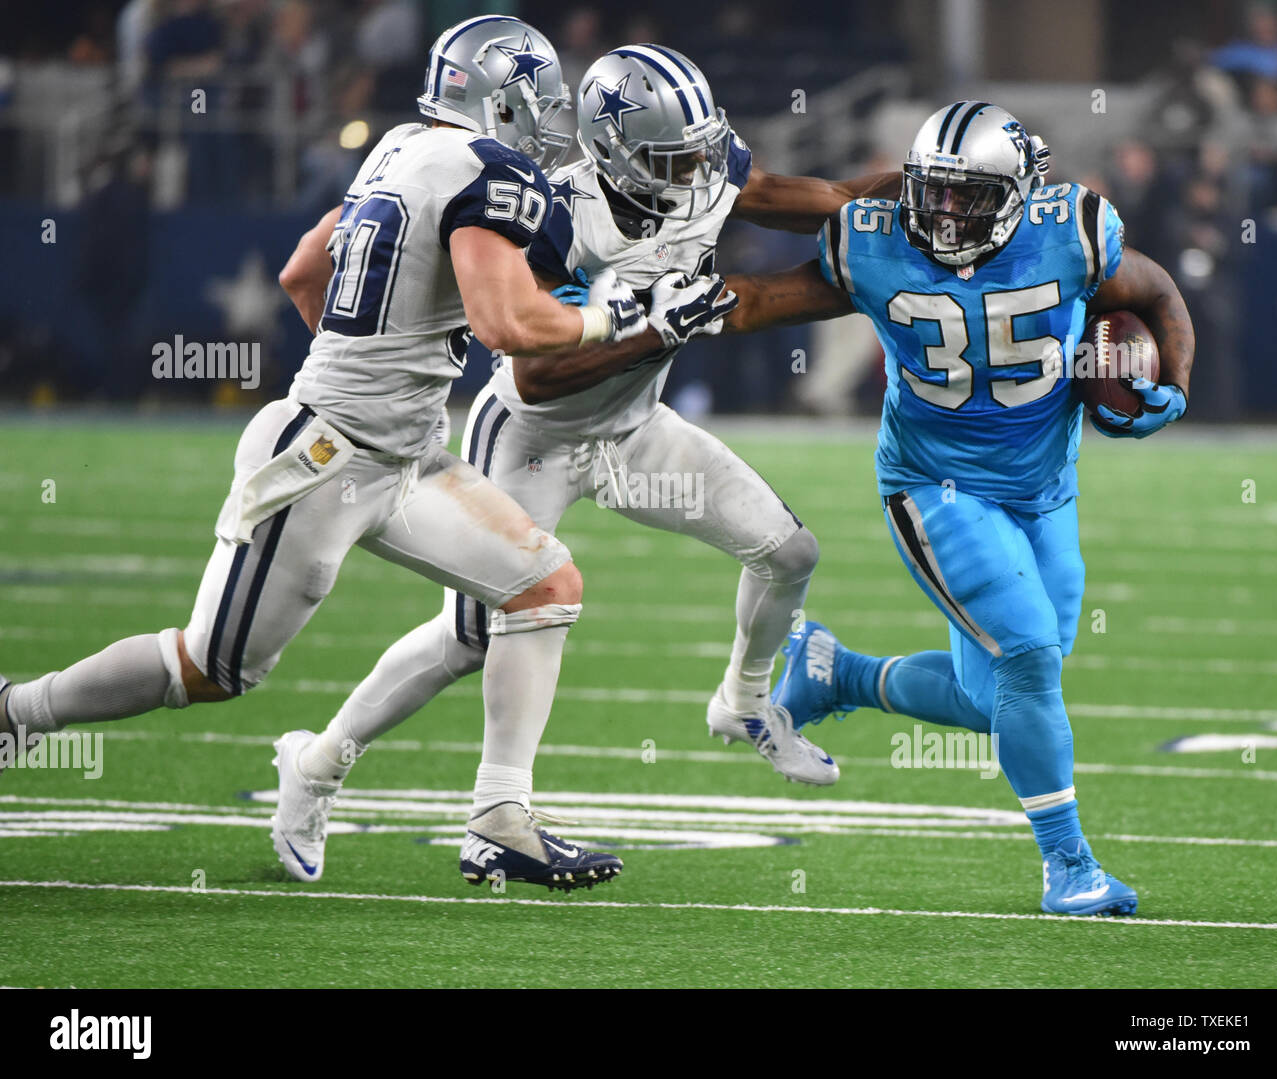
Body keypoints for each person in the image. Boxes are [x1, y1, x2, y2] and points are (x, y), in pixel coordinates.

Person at [0, 15, 660, 894]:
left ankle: (501, 818)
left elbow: (303, 271)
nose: (544, 123)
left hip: (406, 455)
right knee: (211, 669)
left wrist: (373, 372)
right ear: (497, 100)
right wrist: (624, 316)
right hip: (328, 458)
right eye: (534, 103)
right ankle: (17, 710)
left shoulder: (398, 147)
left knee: (543, 586)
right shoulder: (488, 170)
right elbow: (510, 327)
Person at [271, 43, 900, 880]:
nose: (694, 174)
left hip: (636, 431)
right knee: (470, 637)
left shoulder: (706, 166)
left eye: (701, 152)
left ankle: (745, 702)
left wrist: (906, 196)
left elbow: (806, 199)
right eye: (672, 158)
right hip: (533, 436)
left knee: (790, 552)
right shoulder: (552, 209)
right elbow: (536, 369)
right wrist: (655, 327)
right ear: (613, 153)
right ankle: (318, 767)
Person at [721, 102, 1194, 916]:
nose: (941, 215)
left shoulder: (1072, 230)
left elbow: (1157, 292)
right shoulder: (875, 240)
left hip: (1046, 487)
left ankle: (840, 673)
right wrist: (649, 299)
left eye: (963, 197)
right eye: (931, 192)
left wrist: (1175, 388)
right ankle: (1069, 867)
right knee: (1029, 656)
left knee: (999, 695)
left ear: (1015, 195)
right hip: (936, 487)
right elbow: (763, 298)